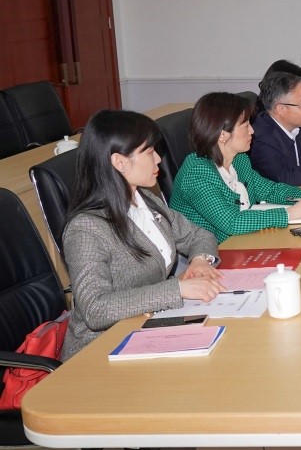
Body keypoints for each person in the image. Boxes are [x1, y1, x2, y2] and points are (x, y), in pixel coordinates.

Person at [60, 110, 222, 359]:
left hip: (145, 330)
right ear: (119, 162)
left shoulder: (144, 199)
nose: (158, 159)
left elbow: (199, 235)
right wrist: (177, 289)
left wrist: (201, 259)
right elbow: (95, 309)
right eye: (148, 152)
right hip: (99, 351)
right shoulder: (86, 229)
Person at [170, 92, 301, 243]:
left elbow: (270, 190)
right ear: (222, 134)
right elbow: (232, 222)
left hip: (244, 241)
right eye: (245, 126)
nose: (252, 131)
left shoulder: (239, 160)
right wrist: (289, 214)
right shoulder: (196, 173)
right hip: (214, 252)